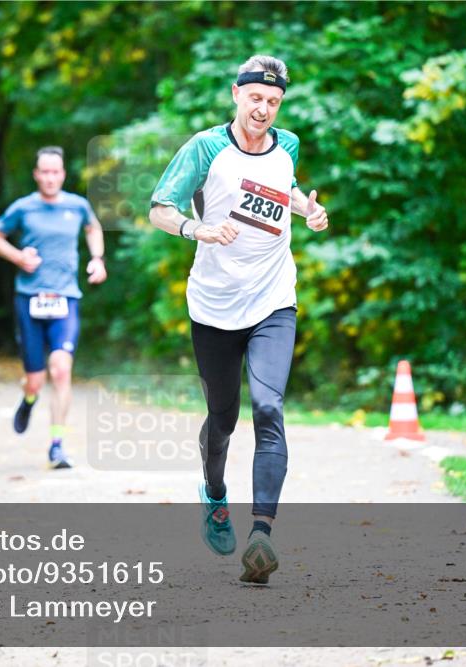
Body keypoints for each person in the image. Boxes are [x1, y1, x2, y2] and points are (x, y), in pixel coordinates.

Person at [149, 55, 329, 584]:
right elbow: (159, 207)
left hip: (274, 298)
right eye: (256, 99)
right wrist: (194, 230)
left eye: (273, 102)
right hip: (214, 305)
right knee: (223, 418)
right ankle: (215, 494)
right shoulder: (206, 147)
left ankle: (261, 537)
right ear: (236, 94)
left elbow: (281, 189)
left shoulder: (288, 145)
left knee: (269, 407)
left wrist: (307, 211)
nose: (264, 110)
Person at [0, 146, 108, 469]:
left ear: (63, 175)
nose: (51, 178)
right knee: (36, 380)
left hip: (66, 297)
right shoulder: (24, 208)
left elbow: (93, 228)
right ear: (37, 175)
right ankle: (29, 399)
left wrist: (97, 259)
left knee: (62, 369)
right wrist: (18, 257)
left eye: (56, 172)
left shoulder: (77, 205)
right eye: (45, 172)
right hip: (29, 299)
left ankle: (57, 445)